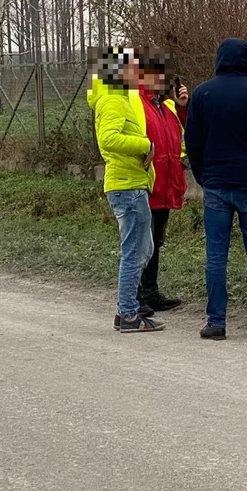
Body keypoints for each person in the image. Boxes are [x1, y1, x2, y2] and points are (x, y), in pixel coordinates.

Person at [184, 38, 247, 341]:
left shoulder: (202, 94)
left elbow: (193, 141)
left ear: (219, 59)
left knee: (216, 255)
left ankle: (216, 322)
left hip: (216, 183)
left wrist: (203, 176)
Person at [86, 45, 165, 333]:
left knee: (144, 249)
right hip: (126, 185)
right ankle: (129, 313)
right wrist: (145, 145)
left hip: (133, 181)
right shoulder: (112, 98)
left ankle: (126, 309)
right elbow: (108, 140)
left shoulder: (119, 96)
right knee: (135, 251)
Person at [136, 49, 188, 313]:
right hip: (146, 183)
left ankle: (150, 291)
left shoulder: (165, 105)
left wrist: (182, 107)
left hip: (166, 182)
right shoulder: (136, 104)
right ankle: (136, 295)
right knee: (141, 243)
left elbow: (181, 133)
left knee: (156, 240)